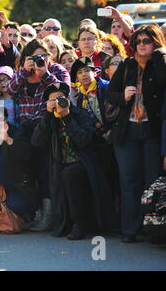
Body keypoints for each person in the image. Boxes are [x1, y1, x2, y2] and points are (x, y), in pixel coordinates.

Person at [106, 24, 166, 243]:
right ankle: (130, 229)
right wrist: (123, 96)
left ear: (156, 42)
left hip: (153, 131)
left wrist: (160, 58)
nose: (142, 45)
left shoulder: (164, 63)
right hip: (127, 132)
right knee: (128, 181)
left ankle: (153, 228)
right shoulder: (127, 65)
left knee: (152, 180)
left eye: (147, 41)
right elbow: (110, 94)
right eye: (138, 41)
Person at [31, 82, 118, 239]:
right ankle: (63, 221)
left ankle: (79, 224)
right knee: (61, 173)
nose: (59, 102)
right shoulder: (50, 119)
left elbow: (83, 140)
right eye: (54, 100)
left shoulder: (80, 114)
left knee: (70, 174)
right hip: (59, 165)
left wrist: (68, 116)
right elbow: (36, 142)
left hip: (84, 163)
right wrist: (48, 115)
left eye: (62, 98)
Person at [7, 39, 67, 232]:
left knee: (45, 171)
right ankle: (33, 211)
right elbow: (9, 90)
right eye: (34, 57)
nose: (39, 60)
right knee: (27, 170)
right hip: (25, 128)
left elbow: (64, 90)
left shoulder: (56, 70)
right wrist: (25, 71)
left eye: (43, 56)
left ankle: (48, 215)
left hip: (48, 127)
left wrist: (45, 74)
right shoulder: (22, 73)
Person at [71, 57, 119, 201]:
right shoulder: (79, 96)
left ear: (95, 72)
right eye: (80, 72)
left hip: (114, 137)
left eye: (87, 70)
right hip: (97, 143)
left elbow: (117, 112)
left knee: (118, 176)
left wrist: (112, 131)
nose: (84, 75)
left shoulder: (106, 87)